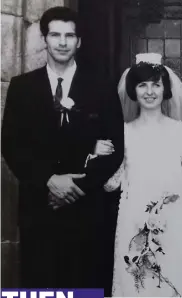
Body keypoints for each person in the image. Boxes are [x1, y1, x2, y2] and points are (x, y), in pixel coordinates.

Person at [1, 6, 124, 288]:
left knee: (85, 288)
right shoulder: (22, 88)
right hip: (39, 208)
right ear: (44, 38)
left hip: (87, 211)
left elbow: (116, 147)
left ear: (79, 41)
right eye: (55, 34)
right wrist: (49, 179)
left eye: (70, 35)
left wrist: (76, 188)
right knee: (40, 287)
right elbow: (11, 144)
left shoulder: (101, 86)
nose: (62, 42)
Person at [105, 53, 182, 296]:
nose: (150, 92)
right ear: (133, 91)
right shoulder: (124, 133)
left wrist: (175, 204)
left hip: (174, 217)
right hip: (133, 218)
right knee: (138, 284)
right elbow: (110, 184)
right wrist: (98, 156)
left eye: (156, 85)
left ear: (165, 89)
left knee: (175, 279)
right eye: (142, 85)